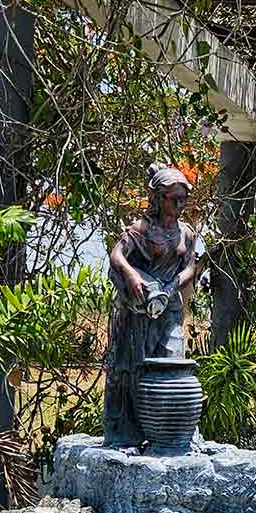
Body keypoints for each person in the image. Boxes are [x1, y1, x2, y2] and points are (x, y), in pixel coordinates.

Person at [103, 161, 202, 448]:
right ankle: (127, 432)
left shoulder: (186, 233)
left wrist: (175, 285)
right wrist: (132, 275)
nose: (180, 205)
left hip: (169, 305)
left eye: (184, 199)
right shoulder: (142, 228)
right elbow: (116, 255)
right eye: (175, 199)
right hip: (139, 310)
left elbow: (190, 267)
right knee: (134, 367)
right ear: (159, 198)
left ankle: (174, 434)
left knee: (173, 363)